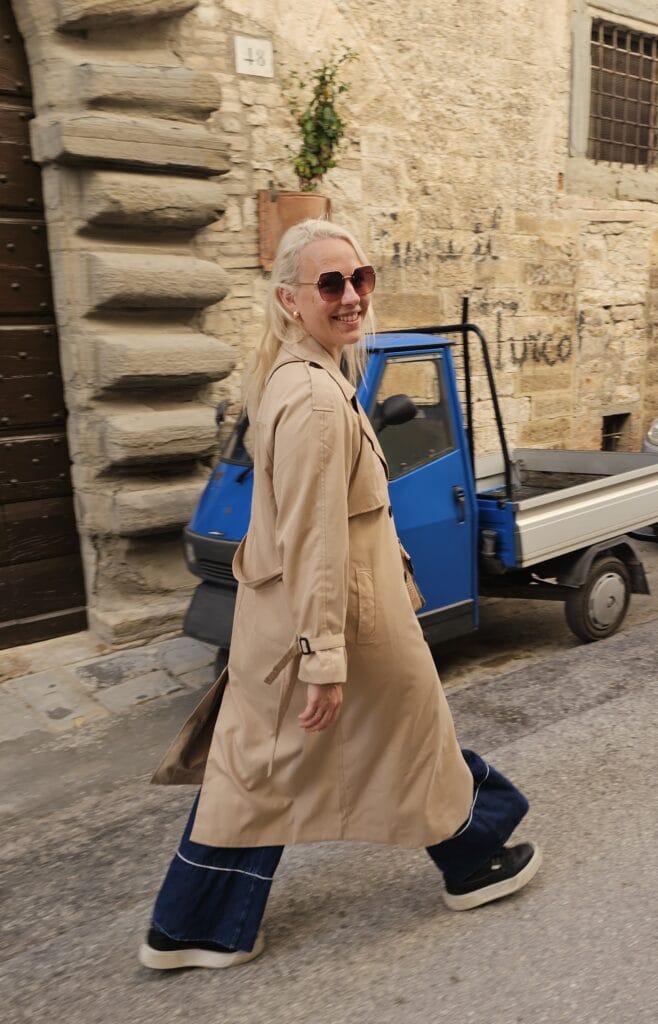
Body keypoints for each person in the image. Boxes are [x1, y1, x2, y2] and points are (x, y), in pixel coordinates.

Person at [138, 219, 541, 971]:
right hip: (347, 617)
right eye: (331, 284)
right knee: (390, 741)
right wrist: (324, 657)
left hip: (314, 613)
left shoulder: (309, 375)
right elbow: (316, 536)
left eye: (361, 278)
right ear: (292, 299)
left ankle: (193, 923)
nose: (352, 295)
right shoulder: (317, 397)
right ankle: (475, 856)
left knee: (270, 765)